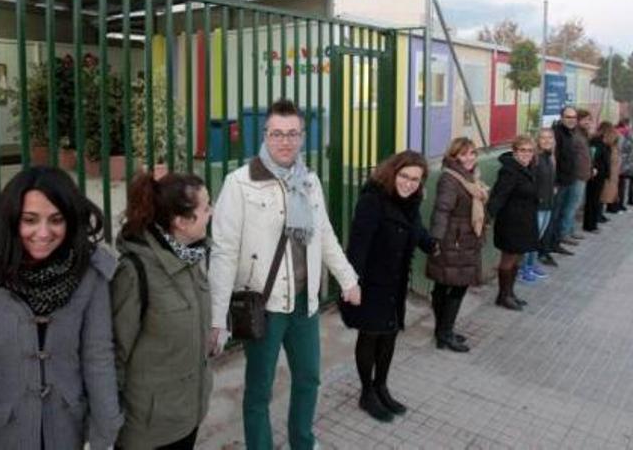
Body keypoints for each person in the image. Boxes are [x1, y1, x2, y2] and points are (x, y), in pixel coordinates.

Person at [0, 166, 123, 449]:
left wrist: (105, 430)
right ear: (11, 220)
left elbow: (97, 356)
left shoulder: (88, 274)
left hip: (65, 432)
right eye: (30, 220)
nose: (43, 233)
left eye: (56, 220)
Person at [209, 99, 361, 449]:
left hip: (305, 302)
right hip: (265, 305)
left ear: (302, 136)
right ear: (265, 135)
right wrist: (218, 317)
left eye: (293, 134)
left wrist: (348, 278)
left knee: (308, 378)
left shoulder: (308, 181)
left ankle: (302, 442)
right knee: (259, 389)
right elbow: (223, 253)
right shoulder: (240, 183)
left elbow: (324, 234)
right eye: (277, 134)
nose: (285, 141)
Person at [111, 172, 214, 450]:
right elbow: (115, 353)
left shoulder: (191, 254)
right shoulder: (135, 272)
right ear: (180, 221)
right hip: (148, 429)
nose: (211, 212)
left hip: (187, 415)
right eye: (205, 208)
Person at [341, 150, 438, 422]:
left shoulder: (412, 201)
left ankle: (381, 386)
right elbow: (358, 245)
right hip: (372, 281)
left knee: (390, 334)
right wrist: (352, 282)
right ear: (393, 173)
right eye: (404, 176)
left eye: (415, 179)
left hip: (395, 281)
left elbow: (416, 229)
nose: (409, 183)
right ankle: (366, 392)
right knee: (370, 336)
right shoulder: (373, 200)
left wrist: (431, 244)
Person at [425, 138, 488, 353]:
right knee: (456, 286)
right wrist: (436, 241)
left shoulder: (470, 177)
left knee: (445, 286)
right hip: (454, 241)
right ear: (454, 157)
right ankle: (445, 333)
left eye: (472, 153)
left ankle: (442, 331)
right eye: (463, 154)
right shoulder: (450, 179)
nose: (469, 158)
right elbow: (441, 211)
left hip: (464, 239)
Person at [487, 136, 539, 311]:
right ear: (515, 151)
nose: (526, 154)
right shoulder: (509, 171)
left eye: (530, 150)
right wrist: (488, 217)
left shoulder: (527, 168)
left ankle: (510, 293)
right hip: (510, 224)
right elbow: (498, 196)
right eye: (522, 150)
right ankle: (503, 296)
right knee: (508, 260)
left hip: (524, 222)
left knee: (517, 259)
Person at [521, 128, 556, 283]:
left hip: (548, 203)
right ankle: (524, 269)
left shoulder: (550, 157)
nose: (547, 140)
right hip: (538, 205)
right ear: (537, 141)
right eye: (543, 138)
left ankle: (531, 264)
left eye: (549, 137)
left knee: (538, 238)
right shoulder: (536, 159)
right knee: (531, 238)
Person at [548, 106, 580, 256]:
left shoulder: (570, 133)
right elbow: (553, 159)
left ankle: (556, 243)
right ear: (561, 117)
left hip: (569, 180)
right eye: (568, 117)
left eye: (574, 117)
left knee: (560, 213)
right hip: (558, 182)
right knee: (554, 215)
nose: (571, 120)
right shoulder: (557, 133)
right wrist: (554, 182)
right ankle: (549, 247)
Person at [583, 123, 610, 232]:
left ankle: (592, 223)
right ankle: (590, 225)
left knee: (595, 200)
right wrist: (595, 168)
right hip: (596, 175)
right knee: (592, 200)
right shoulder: (596, 142)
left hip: (600, 174)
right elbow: (593, 157)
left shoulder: (601, 142)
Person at [601, 123, 621, 216]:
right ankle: (600, 213)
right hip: (607, 172)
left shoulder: (613, 146)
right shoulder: (605, 145)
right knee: (603, 194)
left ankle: (603, 212)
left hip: (613, 172)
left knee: (610, 192)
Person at [617, 118, 633, 209]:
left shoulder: (626, 134)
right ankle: (618, 204)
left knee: (622, 184)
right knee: (620, 184)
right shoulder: (623, 134)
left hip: (625, 162)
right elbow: (625, 148)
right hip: (623, 162)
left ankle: (621, 204)